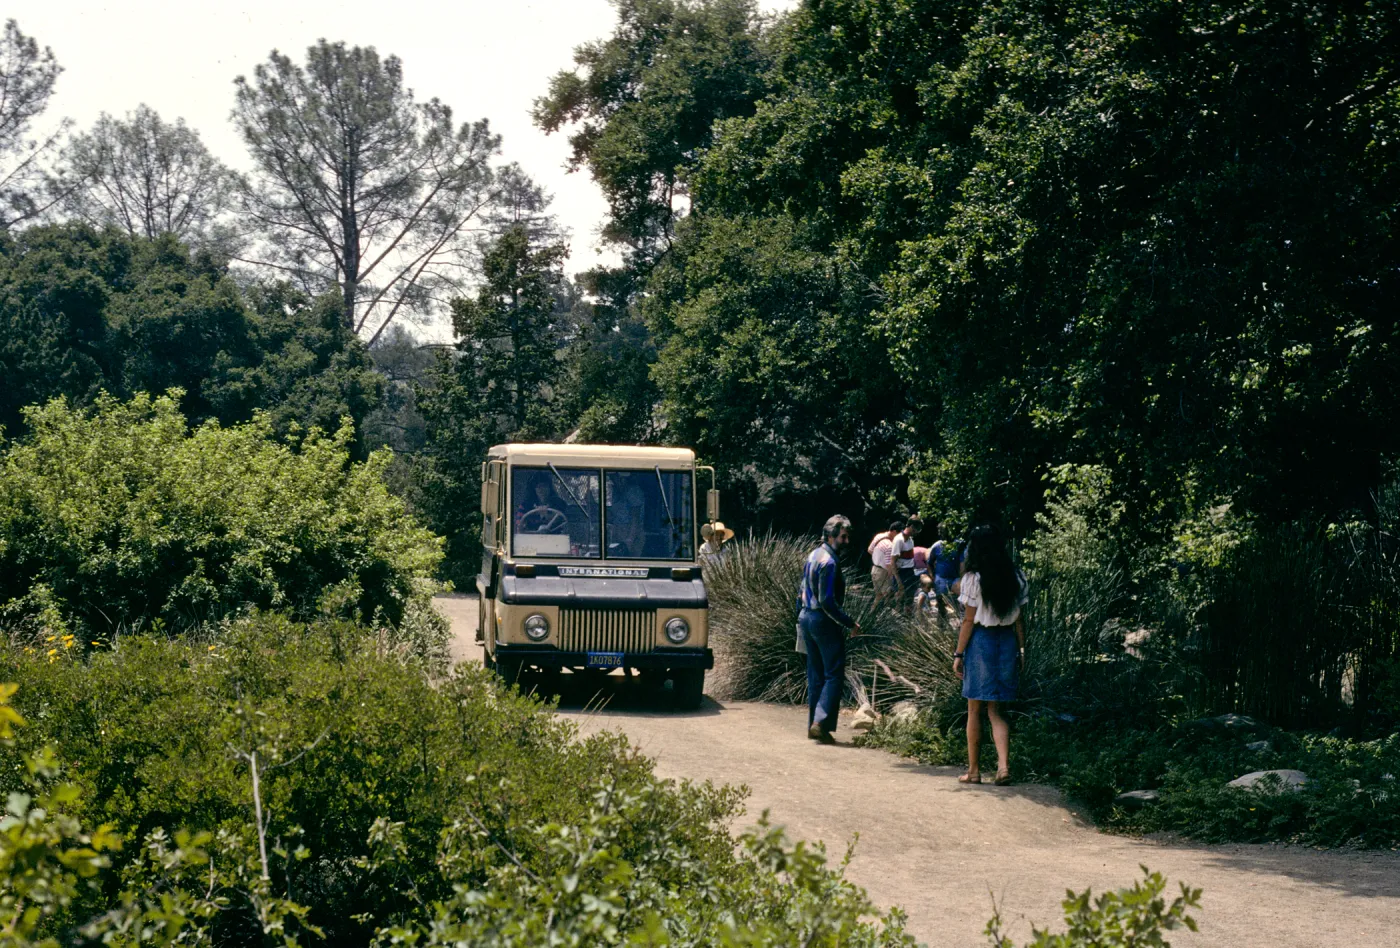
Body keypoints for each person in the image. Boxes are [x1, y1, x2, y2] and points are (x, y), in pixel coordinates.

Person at [952, 525, 1028, 785]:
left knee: (974, 708)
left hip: (982, 641)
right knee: (996, 710)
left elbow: (968, 621)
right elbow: (1020, 620)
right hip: (1006, 640)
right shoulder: (1016, 576)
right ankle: (1003, 767)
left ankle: (974, 772)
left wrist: (958, 653)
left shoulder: (973, 579)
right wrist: (1021, 649)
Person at [797, 515, 861, 743]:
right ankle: (819, 722)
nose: (846, 541)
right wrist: (849, 622)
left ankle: (815, 728)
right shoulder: (830, 562)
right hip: (823, 620)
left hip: (806, 616)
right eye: (843, 537)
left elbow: (801, 590)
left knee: (815, 675)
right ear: (831, 535)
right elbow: (827, 601)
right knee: (834, 673)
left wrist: (800, 617)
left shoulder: (813, 555)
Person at [930, 525, 964, 621]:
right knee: (940, 603)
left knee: (960, 601)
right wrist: (932, 576)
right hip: (941, 578)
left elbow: (963, 563)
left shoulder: (959, 545)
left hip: (955, 578)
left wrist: (962, 578)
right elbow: (929, 563)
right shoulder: (936, 546)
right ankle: (942, 624)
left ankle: (961, 623)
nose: (942, 534)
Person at [867, 521, 901, 603]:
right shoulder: (890, 545)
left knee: (879, 596)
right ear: (894, 532)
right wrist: (895, 579)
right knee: (888, 597)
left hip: (874, 570)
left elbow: (869, 550)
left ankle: (872, 614)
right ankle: (886, 615)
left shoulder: (879, 536)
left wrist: (878, 558)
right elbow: (889, 566)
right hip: (883, 573)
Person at [892, 520, 918, 601]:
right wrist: (898, 581)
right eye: (917, 529)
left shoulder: (910, 539)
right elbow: (892, 562)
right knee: (900, 598)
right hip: (901, 572)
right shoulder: (899, 540)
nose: (918, 532)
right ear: (912, 527)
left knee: (910, 598)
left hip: (910, 571)